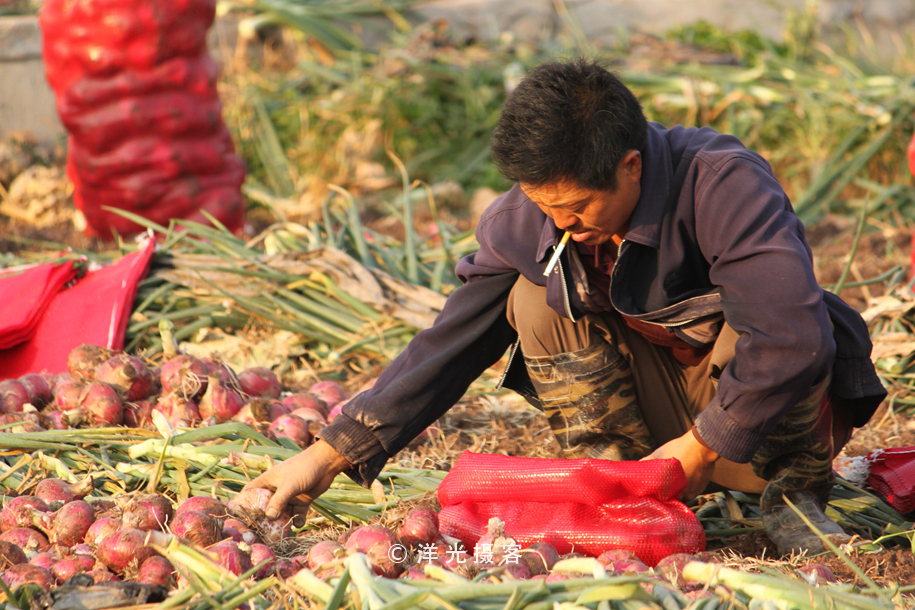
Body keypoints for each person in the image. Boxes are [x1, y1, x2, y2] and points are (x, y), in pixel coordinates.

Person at [245, 58, 886, 556]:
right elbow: (451, 340)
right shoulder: (533, 218)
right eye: (544, 203)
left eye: (576, 207)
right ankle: (621, 490)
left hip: (759, 415)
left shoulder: (722, 185)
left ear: (631, 166)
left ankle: (791, 499)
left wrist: (699, 447)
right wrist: (330, 453)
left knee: (769, 331)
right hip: (664, 412)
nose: (560, 222)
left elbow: (791, 339)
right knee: (532, 298)